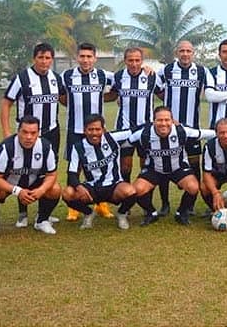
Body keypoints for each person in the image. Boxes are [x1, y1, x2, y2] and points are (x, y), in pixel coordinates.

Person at [0, 43, 65, 227]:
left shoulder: (56, 78)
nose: (44, 61)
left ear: (52, 59)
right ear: (34, 58)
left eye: (47, 58)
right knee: (24, 170)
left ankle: (42, 215)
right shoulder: (22, 78)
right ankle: (23, 213)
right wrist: (6, 132)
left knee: (47, 171)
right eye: (40, 57)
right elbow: (6, 103)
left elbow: (64, 99)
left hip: (51, 132)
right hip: (27, 134)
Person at [157, 40, 218, 216]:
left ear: (193, 53)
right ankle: (165, 204)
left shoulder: (202, 71)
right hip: (168, 128)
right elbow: (155, 87)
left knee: (194, 165)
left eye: (188, 51)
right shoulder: (167, 70)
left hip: (192, 128)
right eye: (182, 51)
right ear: (177, 53)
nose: (185, 54)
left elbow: (212, 91)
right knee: (164, 165)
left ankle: (189, 205)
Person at [127, 106, 217, 226]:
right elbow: (125, 142)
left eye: (167, 120)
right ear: (153, 121)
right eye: (159, 120)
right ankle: (151, 213)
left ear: (172, 121)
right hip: (154, 170)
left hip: (178, 168)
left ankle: (181, 213)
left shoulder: (182, 131)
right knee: (136, 190)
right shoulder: (144, 133)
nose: (163, 123)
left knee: (193, 187)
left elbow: (205, 133)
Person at [60, 42, 117, 221]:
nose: (85, 60)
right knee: (74, 168)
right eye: (82, 56)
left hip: (97, 131)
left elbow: (121, 82)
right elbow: (61, 96)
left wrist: (146, 68)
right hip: (75, 129)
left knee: (101, 166)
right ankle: (73, 207)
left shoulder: (103, 75)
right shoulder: (67, 76)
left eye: (89, 56)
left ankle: (101, 204)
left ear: (95, 58)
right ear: (77, 57)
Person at [0, 116, 62, 240]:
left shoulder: (45, 147)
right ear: (18, 131)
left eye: (33, 133)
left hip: (33, 182)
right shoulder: (6, 147)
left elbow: (51, 175)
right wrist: (18, 191)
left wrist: (41, 190)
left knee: (55, 189)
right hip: (8, 183)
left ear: (38, 133)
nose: (29, 137)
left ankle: (42, 220)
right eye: (25, 132)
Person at [111, 47, 165, 214]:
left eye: (137, 60)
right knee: (125, 166)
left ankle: (146, 203)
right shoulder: (118, 77)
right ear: (125, 61)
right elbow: (112, 95)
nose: (134, 64)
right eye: (130, 60)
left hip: (146, 131)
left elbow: (163, 94)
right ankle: (126, 202)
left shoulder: (151, 76)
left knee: (146, 167)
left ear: (142, 61)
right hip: (124, 129)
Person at [62, 114, 138, 230]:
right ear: (84, 130)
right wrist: (79, 187)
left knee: (131, 191)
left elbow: (135, 130)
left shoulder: (113, 138)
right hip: (92, 188)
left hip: (114, 186)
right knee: (67, 193)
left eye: (97, 129)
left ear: (103, 129)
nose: (94, 133)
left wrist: (161, 123)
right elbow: (72, 173)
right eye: (90, 129)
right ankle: (88, 213)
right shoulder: (78, 147)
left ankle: (122, 214)